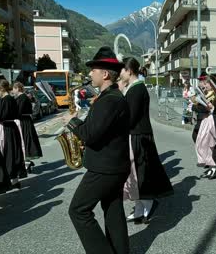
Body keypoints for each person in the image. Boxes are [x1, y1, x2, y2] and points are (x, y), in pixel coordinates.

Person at [66, 46, 131, 254]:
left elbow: (90, 134)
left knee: (78, 210)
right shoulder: (110, 98)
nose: (89, 74)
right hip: (114, 165)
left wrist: (73, 122)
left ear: (104, 74)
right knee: (112, 210)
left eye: (93, 70)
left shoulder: (110, 100)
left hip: (105, 167)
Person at [121, 57, 173, 224]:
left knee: (140, 173)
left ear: (129, 71)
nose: (120, 73)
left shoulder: (137, 89)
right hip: (134, 135)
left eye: (122, 70)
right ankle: (138, 206)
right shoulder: (132, 87)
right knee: (132, 174)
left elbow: (131, 117)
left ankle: (148, 203)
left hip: (138, 135)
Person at [0, 79, 26, 189]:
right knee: (11, 153)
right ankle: (15, 180)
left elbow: (0, 116)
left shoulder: (6, 100)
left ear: (1, 89)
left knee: (8, 153)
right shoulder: (9, 99)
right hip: (10, 128)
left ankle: (11, 179)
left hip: (6, 129)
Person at [12, 82, 43, 173]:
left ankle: (26, 163)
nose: (13, 91)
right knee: (24, 140)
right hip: (24, 121)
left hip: (23, 121)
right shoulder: (22, 97)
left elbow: (18, 111)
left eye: (14, 89)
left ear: (17, 88)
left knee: (24, 140)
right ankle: (26, 162)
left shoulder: (22, 97)